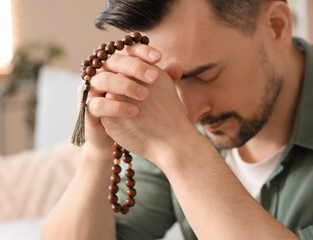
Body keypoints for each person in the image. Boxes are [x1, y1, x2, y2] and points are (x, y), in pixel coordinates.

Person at [42, 0, 313, 239]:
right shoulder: (172, 127)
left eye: (206, 77)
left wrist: (181, 148)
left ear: (276, 26)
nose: (188, 114)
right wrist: (98, 152)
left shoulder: (175, 137)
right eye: (168, 86)